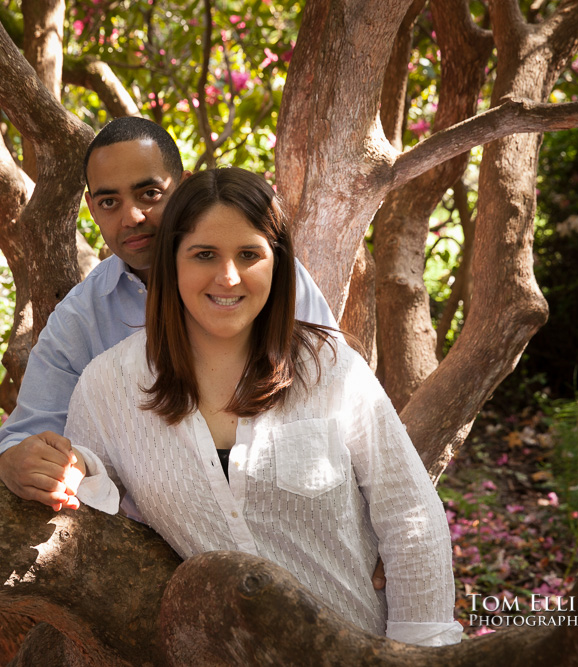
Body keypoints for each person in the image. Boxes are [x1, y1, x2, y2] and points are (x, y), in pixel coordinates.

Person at [65, 168, 462, 646]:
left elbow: (410, 517)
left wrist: (417, 655)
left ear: (278, 263)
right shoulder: (107, 387)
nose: (228, 276)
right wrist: (52, 466)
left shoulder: (329, 368)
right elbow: (83, 502)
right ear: (171, 263)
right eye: (204, 254)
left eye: (249, 254)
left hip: (364, 650)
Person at [0, 117, 336, 512]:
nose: (131, 216)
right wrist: (14, 462)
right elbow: (25, 438)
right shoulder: (80, 319)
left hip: (296, 515)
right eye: (109, 202)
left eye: (149, 193)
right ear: (91, 208)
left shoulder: (259, 277)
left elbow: (340, 398)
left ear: (183, 187)